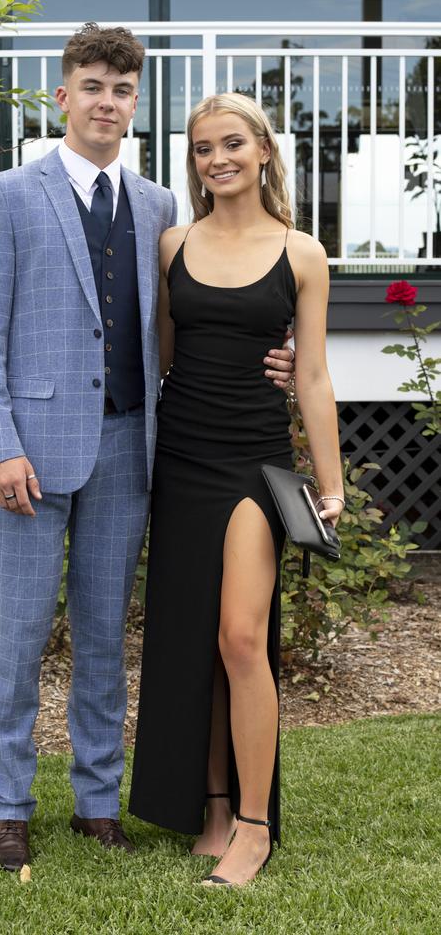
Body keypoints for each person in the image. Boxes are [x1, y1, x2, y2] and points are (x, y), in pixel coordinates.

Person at [0, 25, 295, 873]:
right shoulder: (8, 193)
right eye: (93, 85)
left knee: (105, 635)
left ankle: (97, 802)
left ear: (132, 104)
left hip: (131, 448)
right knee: (20, 637)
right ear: (63, 94)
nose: (106, 102)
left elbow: (187, 315)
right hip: (29, 458)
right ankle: (8, 807)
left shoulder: (156, 208)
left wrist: (278, 358)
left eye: (121, 90)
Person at [128, 93, 344, 888]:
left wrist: (333, 483)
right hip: (181, 457)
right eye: (199, 149)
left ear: (262, 152)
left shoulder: (302, 253)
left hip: (255, 463)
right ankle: (212, 808)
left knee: (242, 640)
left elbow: (313, 375)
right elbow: (164, 357)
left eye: (229, 144)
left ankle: (254, 827)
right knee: (194, 643)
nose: (214, 159)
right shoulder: (171, 244)